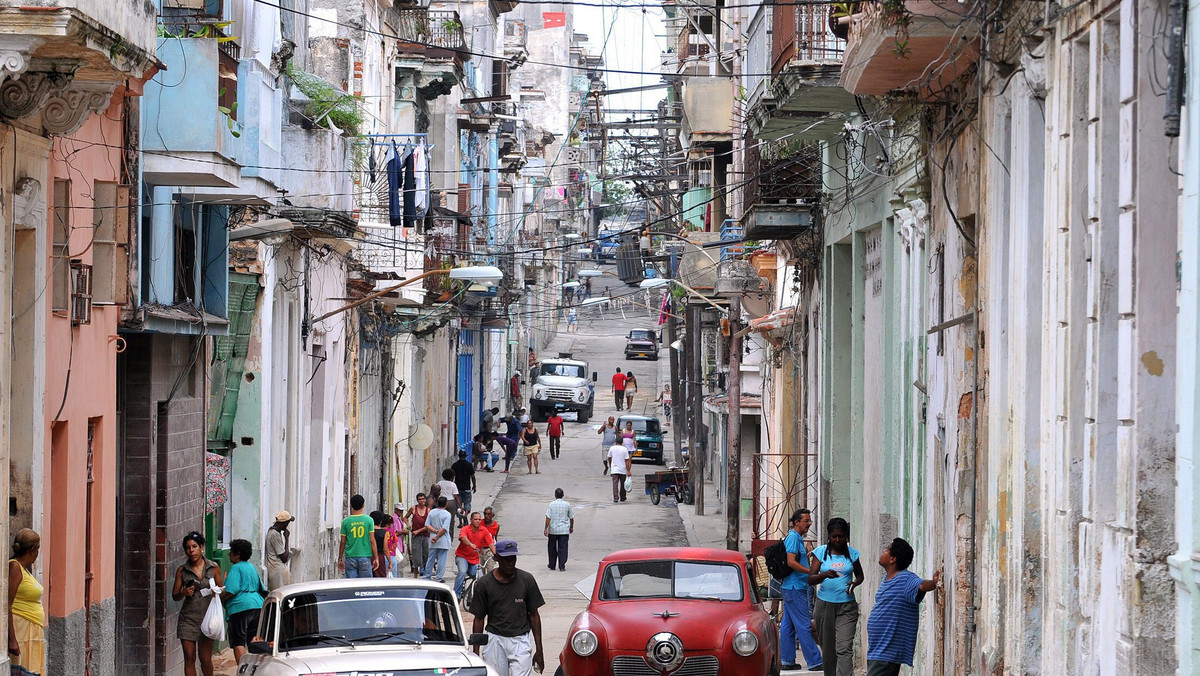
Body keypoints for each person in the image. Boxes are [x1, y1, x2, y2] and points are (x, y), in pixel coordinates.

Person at [470, 539, 545, 676]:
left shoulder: (527, 580)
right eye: (506, 559)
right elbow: (479, 618)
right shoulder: (485, 583)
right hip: (494, 641)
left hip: (520, 641)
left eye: (513, 558)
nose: (510, 562)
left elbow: (534, 615)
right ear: (496, 558)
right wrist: (476, 653)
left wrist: (539, 650)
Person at [866, 538, 941, 676]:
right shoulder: (886, 579)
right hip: (878, 647)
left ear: (892, 559)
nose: (883, 551)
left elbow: (922, 585)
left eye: (887, 549)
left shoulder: (906, 579)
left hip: (887, 650)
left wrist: (933, 582)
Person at [809, 517, 865, 676]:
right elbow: (810, 579)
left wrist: (854, 584)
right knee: (828, 650)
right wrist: (825, 575)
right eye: (834, 536)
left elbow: (860, 576)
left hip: (847, 607)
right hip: (824, 606)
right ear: (829, 536)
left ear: (846, 536)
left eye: (841, 536)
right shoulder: (820, 553)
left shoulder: (852, 554)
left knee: (844, 648)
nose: (838, 539)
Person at [172, 531, 224, 676]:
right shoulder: (182, 571)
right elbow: (175, 595)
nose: (191, 550)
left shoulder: (213, 568)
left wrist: (217, 592)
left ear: (201, 547)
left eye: (194, 546)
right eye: (188, 548)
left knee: (205, 659)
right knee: (189, 659)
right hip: (188, 620)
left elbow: (222, 590)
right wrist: (183, 593)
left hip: (209, 619)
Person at [780, 509, 823, 671]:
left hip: (792, 587)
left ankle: (787, 660)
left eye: (809, 520)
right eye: (806, 521)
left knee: (788, 625)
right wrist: (810, 571)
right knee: (804, 624)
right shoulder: (793, 538)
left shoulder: (796, 538)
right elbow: (791, 562)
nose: (809, 523)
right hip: (794, 587)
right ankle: (814, 661)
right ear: (797, 522)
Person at [222, 538, 265, 663]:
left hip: (240, 608)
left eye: (231, 552)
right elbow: (261, 587)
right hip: (257, 606)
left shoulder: (236, 568)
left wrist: (219, 598)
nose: (229, 554)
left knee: (238, 641)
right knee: (254, 641)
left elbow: (232, 590)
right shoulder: (251, 567)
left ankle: (243, 671)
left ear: (238, 554)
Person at [7, 529, 44, 675]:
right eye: (38, 549)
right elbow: (7, 604)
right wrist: (12, 640)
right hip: (21, 632)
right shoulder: (15, 567)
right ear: (33, 550)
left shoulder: (24, 568)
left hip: (31, 632)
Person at [455, 511, 497, 597]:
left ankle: (475, 595)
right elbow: (463, 538)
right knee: (462, 572)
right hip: (462, 556)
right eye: (475, 519)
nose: (477, 521)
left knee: (480, 577)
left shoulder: (484, 530)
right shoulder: (465, 529)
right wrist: (470, 544)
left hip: (475, 559)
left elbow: (491, 543)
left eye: (479, 519)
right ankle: (456, 594)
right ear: (471, 520)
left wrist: (496, 555)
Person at [339, 494, 378, 578]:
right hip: (365, 556)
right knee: (365, 585)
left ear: (351, 505)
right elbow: (372, 540)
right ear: (363, 505)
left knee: (351, 585)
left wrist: (340, 559)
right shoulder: (369, 520)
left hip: (350, 557)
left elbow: (343, 542)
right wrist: (376, 558)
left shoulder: (345, 521)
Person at [423, 496, 454, 582]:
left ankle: (427, 576)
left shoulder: (432, 512)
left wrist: (435, 532)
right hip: (443, 539)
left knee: (431, 558)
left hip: (432, 538)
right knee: (441, 560)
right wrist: (437, 536)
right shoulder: (447, 514)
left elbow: (427, 525)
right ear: (446, 504)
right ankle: (439, 577)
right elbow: (444, 529)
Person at [544, 488, 575, 572]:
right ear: (563, 495)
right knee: (563, 548)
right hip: (564, 530)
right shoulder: (567, 505)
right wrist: (571, 527)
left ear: (555, 495)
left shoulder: (551, 505)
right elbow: (571, 517)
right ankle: (562, 566)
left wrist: (546, 528)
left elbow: (548, 517)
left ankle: (552, 565)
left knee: (552, 548)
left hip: (553, 530)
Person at [264, 510, 294, 591]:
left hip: (278, 569)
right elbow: (284, 558)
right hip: (277, 570)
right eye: (287, 523)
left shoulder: (275, 532)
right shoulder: (274, 534)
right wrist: (287, 538)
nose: (287, 525)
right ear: (284, 523)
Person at [406, 494, 431, 577]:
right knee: (416, 555)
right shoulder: (413, 508)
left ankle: (426, 574)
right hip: (415, 536)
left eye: (423, 499)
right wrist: (408, 525)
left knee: (426, 554)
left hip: (425, 535)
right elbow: (405, 517)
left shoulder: (428, 510)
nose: (422, 501)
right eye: (420, 499)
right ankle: (415, 576)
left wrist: (418, 531)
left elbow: (428, 525)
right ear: (417, 500)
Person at [452, 450, 477, 525]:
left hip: (457, 488)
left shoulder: (455, 465)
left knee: (459, 505)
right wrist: (474, 486)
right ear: (465, 456)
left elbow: (452, 476)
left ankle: (460, 522)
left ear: (459, 456)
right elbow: (472, 476)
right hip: (467, 487)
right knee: (467, 503)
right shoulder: (469, 465)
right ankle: (465, 515)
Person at [388, 502, 408, 577]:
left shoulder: (398, 518)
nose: (401, 512)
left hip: (399, 544)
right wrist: (403, 532)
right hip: (397, 546)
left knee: (399, 566)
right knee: (398, 566)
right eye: (399, 510)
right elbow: (394, 533)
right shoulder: (394, 519)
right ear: (395, 510)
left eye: (402, 511)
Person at [371, 512, 392, 577]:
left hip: (369, 556)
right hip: (380, 556)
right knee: (380, 577)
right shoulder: (383, 532)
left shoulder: (369, 531)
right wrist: (390, 562)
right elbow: (385, 549)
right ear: (381, 521)